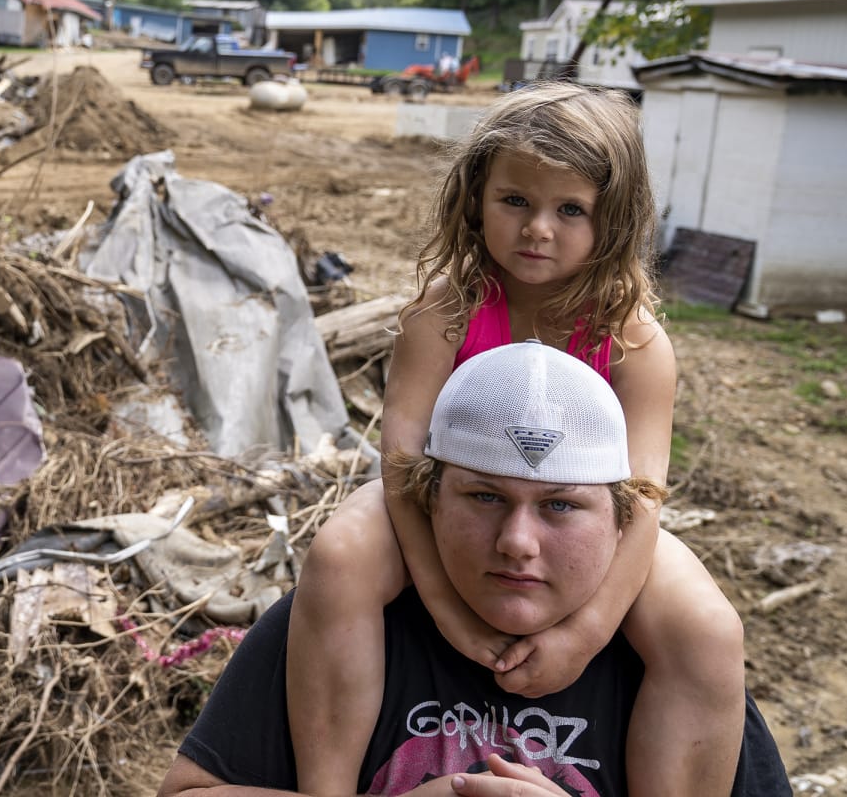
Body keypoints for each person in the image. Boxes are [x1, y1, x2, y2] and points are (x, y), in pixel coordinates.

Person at [286, 83, 746, 797]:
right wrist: (441, 602)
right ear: (476, 198)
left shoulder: (635, 341)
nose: (539, 228)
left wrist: (586, 633)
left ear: (613, 221)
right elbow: (405, 465)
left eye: (570, 210)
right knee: (341, 555)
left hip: (590, 523)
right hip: (447, 505)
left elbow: (644, 497)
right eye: (516, 201)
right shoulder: (443, 313)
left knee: (708, 630)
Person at [157, 342, 790, 796]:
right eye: (485, 497)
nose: (517, 542)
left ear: (624, 520)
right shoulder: (341, 622)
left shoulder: (673, 661)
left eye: (561, 506)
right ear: (429, 499)